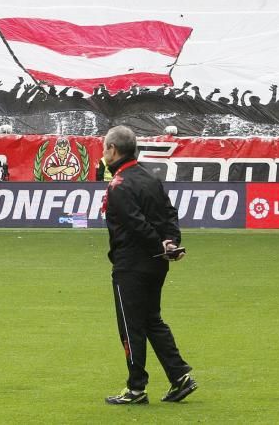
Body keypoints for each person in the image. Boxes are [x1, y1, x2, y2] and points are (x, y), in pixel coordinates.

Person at [101, 125, 197, 406]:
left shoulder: (119, 184)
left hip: (131, 264)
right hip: (156, 264)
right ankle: (180, 377)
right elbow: (169, 214)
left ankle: (135, 388)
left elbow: (136, 225)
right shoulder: (149, 178)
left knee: (131, 326)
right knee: (151, 320)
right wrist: (169, 243)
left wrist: (159, 246)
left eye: (105, 147)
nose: (104, 152)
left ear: (113, 150)